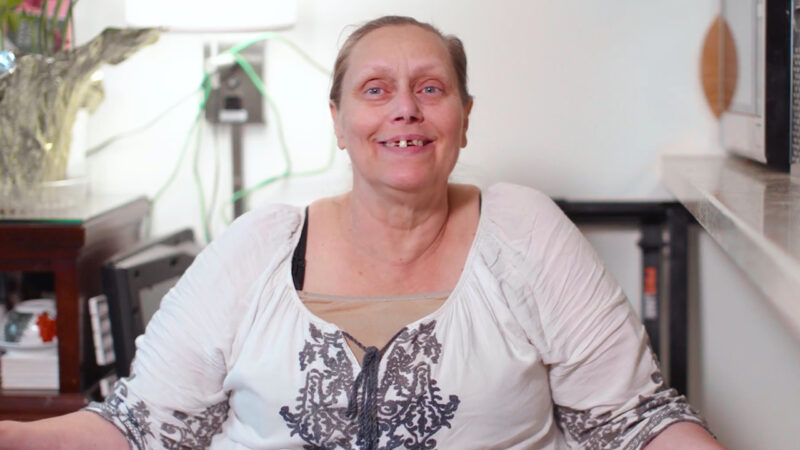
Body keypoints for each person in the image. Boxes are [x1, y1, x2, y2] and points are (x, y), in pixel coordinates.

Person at [0, 15, 725, 450]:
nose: (404, 109)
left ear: (464, 118)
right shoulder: (259, 247)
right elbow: (137, 429)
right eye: (375, 90)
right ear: (339, 122)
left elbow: (635, 424)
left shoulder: (525, 232)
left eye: (430, 88)